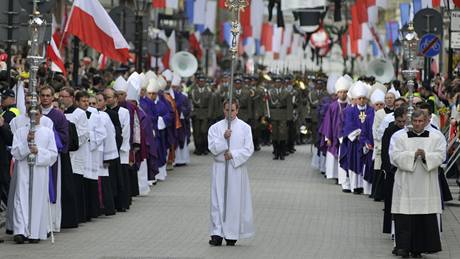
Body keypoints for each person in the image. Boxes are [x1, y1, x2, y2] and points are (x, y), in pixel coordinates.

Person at [390, 109, 446, 258]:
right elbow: (394, 156)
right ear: (411, 121)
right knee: (405, 217)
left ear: (427, 121)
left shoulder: (436, 137)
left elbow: (441, 155)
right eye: (415, 121)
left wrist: (426, 155)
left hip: (426, 183)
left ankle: (419, 248)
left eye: (421, 121)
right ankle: (403, 247)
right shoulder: (400, 137)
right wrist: (412, 155)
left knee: (423, 217)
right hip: (406, 182)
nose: (417, 124)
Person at [207, 99, 255, 246]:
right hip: (220, 168)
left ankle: (231, 233)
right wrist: (223, 138)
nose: (229, 113)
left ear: (237, 110)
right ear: (223, 110)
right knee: (217, 201)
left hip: (235, 170)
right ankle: (217, 233)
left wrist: (233, 154)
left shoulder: (245, 128)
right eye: (227, 110)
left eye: (232, 110)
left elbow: (249, 149)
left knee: (233, 201)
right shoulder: (215, 128)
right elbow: (212, 147)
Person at [11, 106, 58, 244]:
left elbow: (53, 155)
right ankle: (20, 231)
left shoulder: (47, 132)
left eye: (36, 114)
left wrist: (39, 152)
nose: (34, 118)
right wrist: (27, 144)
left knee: (37, 199)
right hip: (24, 169)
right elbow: (15, 152)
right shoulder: (20, 132)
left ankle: (34, 232)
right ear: (27, 115)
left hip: (39, 171)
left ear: (41, 115)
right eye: (31, 115)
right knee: (21, 198)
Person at [381, 107, 407, 235]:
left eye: (404, 121)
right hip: (392, 171)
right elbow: (385, 151)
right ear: (395, 120)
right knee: (391, 200)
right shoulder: (390, 131)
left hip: (405, 170)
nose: (402, 124)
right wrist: (388, 168)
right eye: (399, 122)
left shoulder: (408, 131)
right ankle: (391, 228)